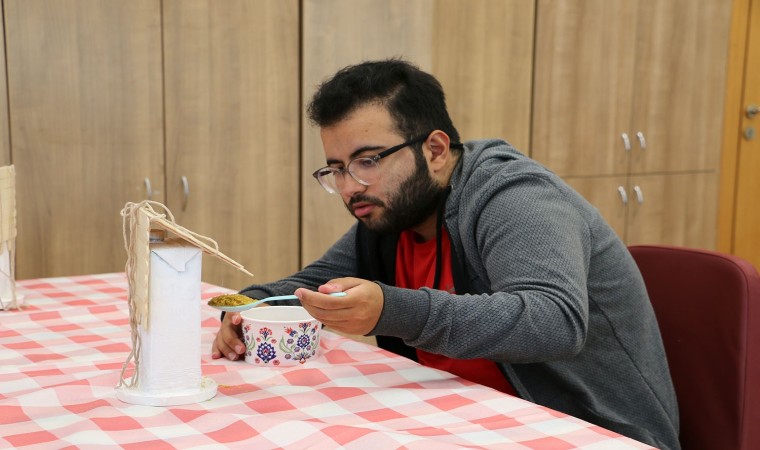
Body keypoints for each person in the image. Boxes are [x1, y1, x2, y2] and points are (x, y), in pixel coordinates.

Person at [211, 59, 680, 449]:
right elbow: (313, 284)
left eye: (368, 161)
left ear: (435, 150)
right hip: (467, 418)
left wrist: (391, 310)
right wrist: (249, 305)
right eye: (336, 169)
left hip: (588, 431)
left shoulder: (514, 197)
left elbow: (554, 321)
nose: (350, 187)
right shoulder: (392, 214)